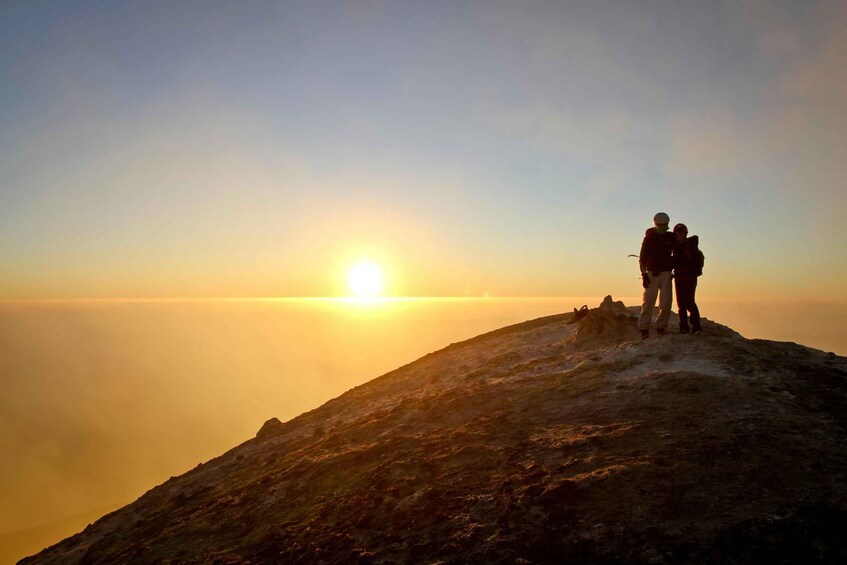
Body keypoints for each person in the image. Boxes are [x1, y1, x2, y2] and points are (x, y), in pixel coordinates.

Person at [638, 212, 675, 339]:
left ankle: (661, 327)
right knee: (648, 302)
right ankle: (644, 328)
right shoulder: (649, 238)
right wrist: (644, 275)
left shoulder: (671, 237)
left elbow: (677, 253)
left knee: (666, 302)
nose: (663, 227)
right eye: (660, 225)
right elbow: (642, 258)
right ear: (655, 224)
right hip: (652, 274)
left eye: (665, 225)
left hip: (666, 273)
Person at [671, 223, 703, 335]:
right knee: (681, 304)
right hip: (680, 276)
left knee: (688, 302)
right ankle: (685, 327)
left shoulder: (690, 246)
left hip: (689, 276)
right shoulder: (676, 246)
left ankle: (695, 327)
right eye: (677, 232)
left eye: (681, 233)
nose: (679, 234)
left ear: (685, 234)